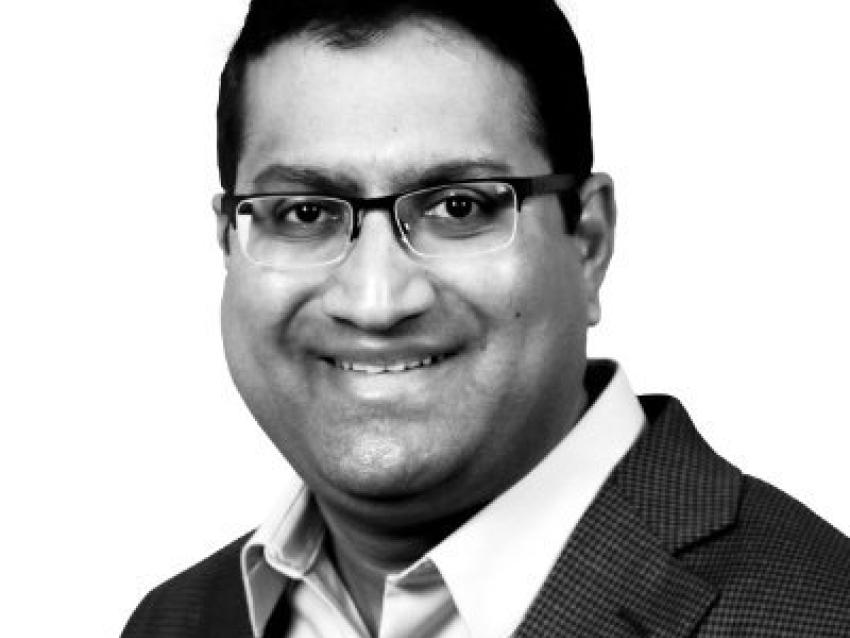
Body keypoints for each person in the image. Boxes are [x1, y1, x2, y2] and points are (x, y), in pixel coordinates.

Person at [121, 0, 850, 636]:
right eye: (305, 213)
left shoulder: (820, 614)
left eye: (459, 206)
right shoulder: (178, 621)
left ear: (588, 241)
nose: (376, 300)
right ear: (228, 243)